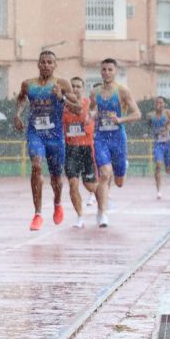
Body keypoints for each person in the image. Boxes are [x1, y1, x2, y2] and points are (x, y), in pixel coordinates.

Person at [14, 50, 79, 231]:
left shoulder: (62, 83)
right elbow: (21, 98)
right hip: (35, 133)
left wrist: (62, 97)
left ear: (55, 65)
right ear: (38, 64)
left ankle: (57, 203)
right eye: (43, 62)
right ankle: (38, 214)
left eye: (50, 62)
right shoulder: (28, 84)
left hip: (55, 137)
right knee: (36, 165)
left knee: (56, 177)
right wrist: (18, 114)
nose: (46, 65)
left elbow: (78, 109)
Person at [89, 58, 141, 228]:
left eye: (110, 69)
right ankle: (102, 212)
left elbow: (137, 114)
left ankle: (123, 165)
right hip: (101, 138)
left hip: (118, 138)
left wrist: (120, 119)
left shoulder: (123, 91)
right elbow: (91, 110)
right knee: (104, 174)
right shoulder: (95, 92)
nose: (106, 72)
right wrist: (92, 115)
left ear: (115, 71)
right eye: (103, 69)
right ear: (100, 72)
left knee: (119, 182)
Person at [62, 77, 97, 229]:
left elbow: (95, 112)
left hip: (87, 148)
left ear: (82, 88)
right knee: (73, 184)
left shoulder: (88, 104)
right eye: (73, 86)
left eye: (78, 86)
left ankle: (102, 198)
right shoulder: (62, 106)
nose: (75, 89)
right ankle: (80, 216)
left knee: (89, 185)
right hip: (71, 149)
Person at [146, 96, 170, 200]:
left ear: (164, 104)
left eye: (161, 103)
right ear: (154, 104)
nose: (159, 104)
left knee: (168, 170)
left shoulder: (169, 113)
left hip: (168, 144)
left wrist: (168, 128)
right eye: (157, 102)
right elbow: (148, 127)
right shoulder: (150, 115)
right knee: (158, 164)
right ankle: (159, 191)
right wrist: (146, 134)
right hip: (158, 144)